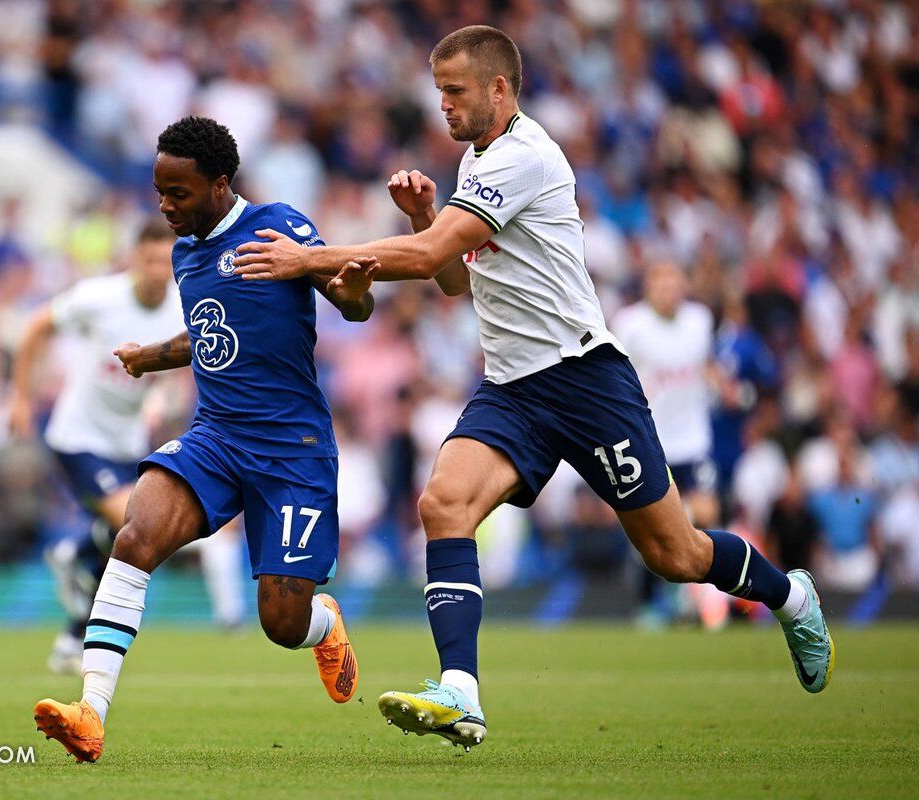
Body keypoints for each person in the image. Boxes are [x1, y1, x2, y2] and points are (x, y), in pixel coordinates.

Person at [232, 25, 833, 751]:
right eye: (437, 92)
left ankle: (791, 597)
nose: (443, 105)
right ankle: (461, 692)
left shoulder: (523, 155)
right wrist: (425, 217)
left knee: (676, 556)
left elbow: (428, 260)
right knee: (443, 502)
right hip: (514, 386)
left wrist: (308, 260)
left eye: (454, 91)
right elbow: (455, 277)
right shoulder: (477, 159)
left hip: (585, 380)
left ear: (498, 89)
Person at [34, 116, 377, 762]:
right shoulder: (188, 251)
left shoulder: (279, 227)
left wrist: (354, 292)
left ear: (221, 184)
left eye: (178, 193)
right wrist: (149, 355)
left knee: (282, 622)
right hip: (216, 437)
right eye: (159, 192)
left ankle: (325, 626)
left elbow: (349, 301)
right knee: (136, 535)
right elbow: (211, 336)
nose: (165, 206)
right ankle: (90, 712)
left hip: (291, 450)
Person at [9, 219, 245, 674]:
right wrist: (19, 395)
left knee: (129, 536)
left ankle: (72, 632)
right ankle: (77, 553)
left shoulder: (183, 306)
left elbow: (180, 368)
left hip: (127, 440)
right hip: (77, 436)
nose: (160, 269)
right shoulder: (99, 298)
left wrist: (158, 400)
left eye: (167, 260)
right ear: (136, 258)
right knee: (135, 522)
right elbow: (38, 324)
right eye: (152, 259)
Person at [612, 260, 719, 625]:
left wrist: (726, 387)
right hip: (650, 438)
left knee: (704, 514)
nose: (669, 290)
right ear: (648, 287)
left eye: (675, 282)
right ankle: (651, 603)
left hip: (693, 439)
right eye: (662, 283)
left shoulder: (700, 321)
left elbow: (705, 366)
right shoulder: (630, 324)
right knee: (651, 529)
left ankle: (689, 595)